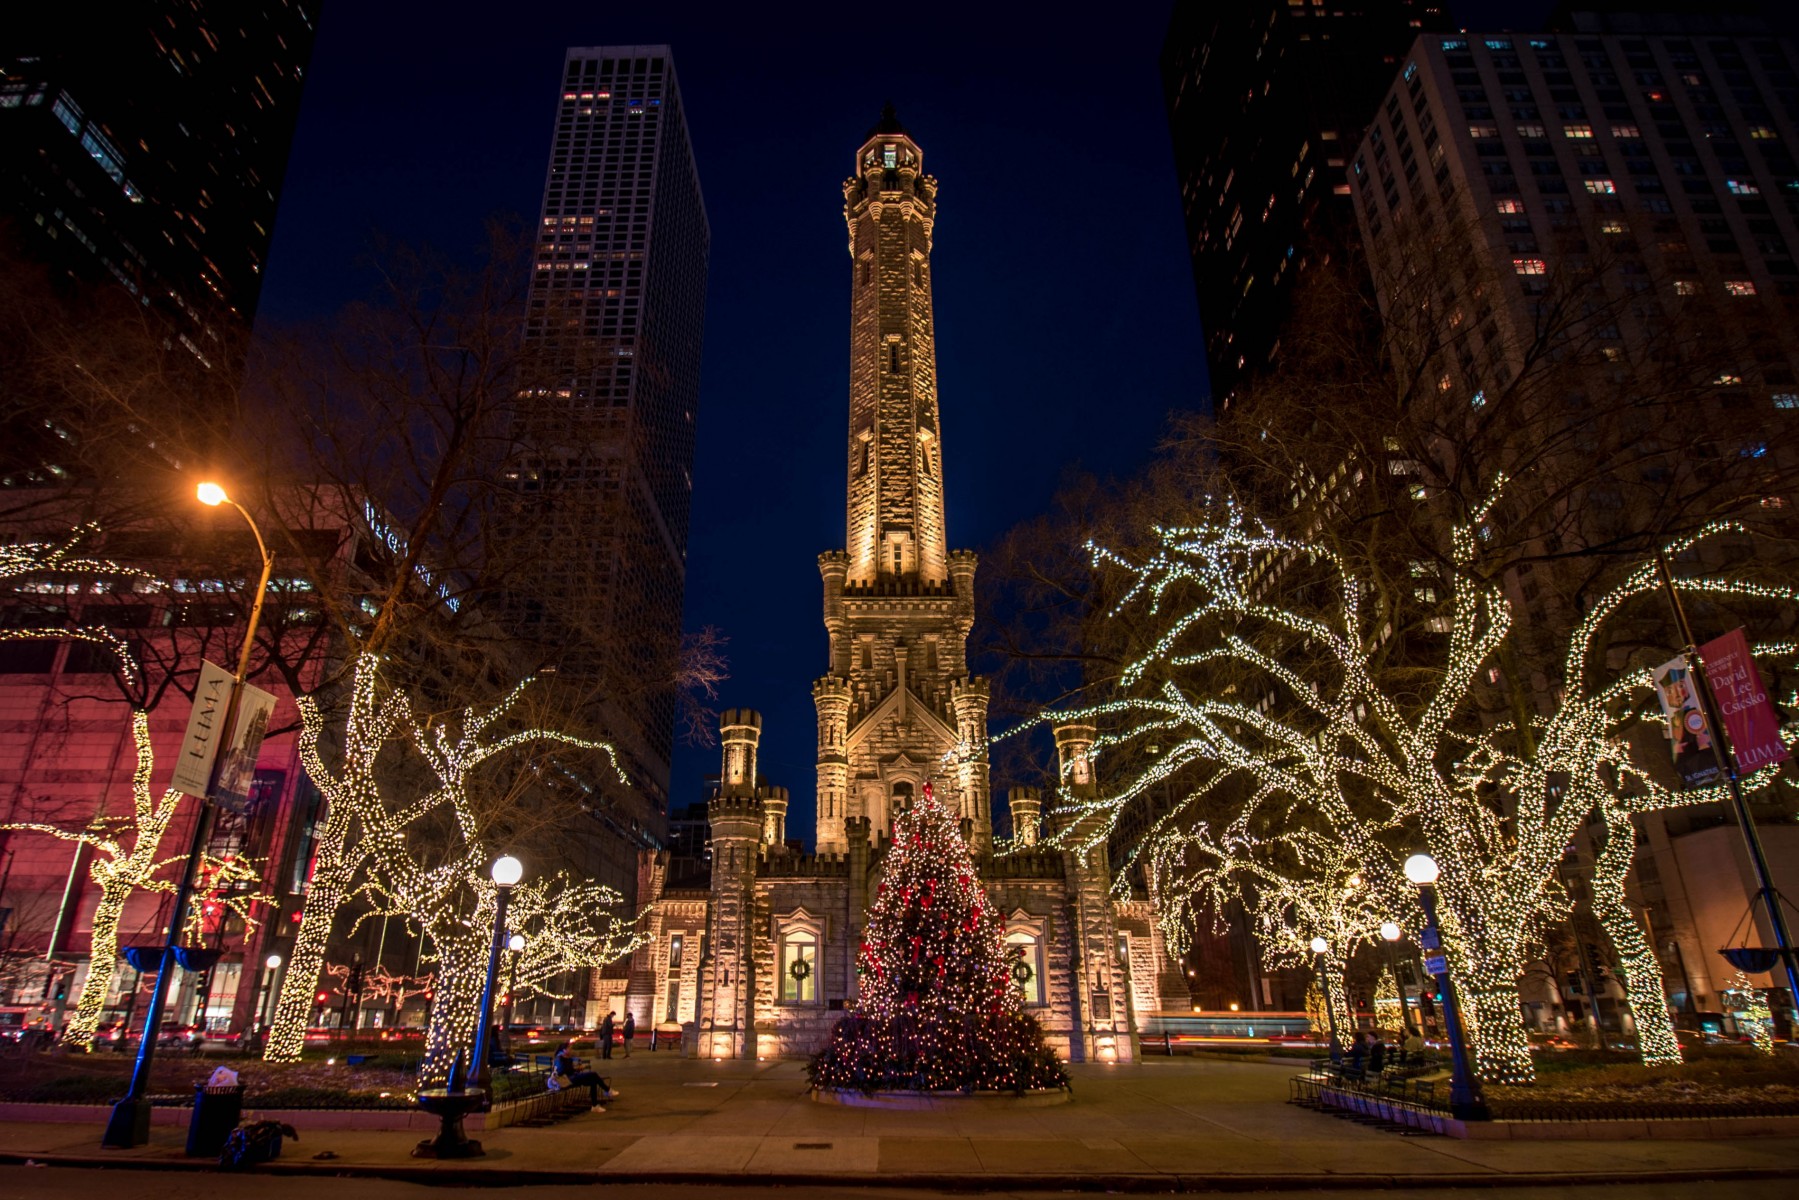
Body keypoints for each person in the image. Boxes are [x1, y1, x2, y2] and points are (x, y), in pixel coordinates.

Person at [552, 1040, 615, 1111]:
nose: (571, 1050)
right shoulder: (560, 1058)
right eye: (569, 1048)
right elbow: (560, 1072)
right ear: (564, 1050)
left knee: (593, 1081)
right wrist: (576, 1068)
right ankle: (607, 1090)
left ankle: (595, 1105)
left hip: (572, 1078)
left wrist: (577, 1068)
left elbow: (570, 1070)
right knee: (593, 1074)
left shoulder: (567, 1058)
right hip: (565, 1081)